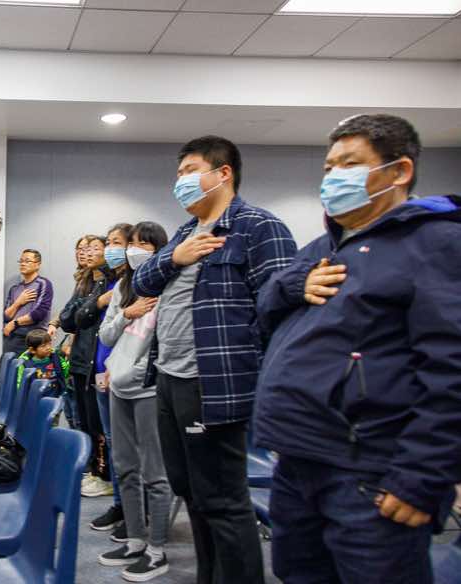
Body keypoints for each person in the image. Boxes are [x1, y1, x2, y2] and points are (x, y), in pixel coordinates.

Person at [253, 114, 461, 584]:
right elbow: (264, 309)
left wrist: (421, 475)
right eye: (329, 167)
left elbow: (451, 370)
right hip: (298, 459)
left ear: (399, 171)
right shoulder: (322, 247)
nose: (333, 177)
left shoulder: (435, 243)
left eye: (349, 164)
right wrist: (293, 284)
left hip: (369, 472)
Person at [133, 135, 297, 584]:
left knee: (223, 499)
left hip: (215, 383)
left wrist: (265, 385)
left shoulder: (258, 227)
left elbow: (281, 312)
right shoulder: (186, 231)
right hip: (169, 377)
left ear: (223, 173)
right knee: (191, 491)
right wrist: (173, 257)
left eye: (189, 171)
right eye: (178, 173)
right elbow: (142, 283)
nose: (180, 181)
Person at [98, 221, 176, 582]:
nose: (135, 250)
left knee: (154, 473)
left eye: (145, 245)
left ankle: (157, 551)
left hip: (150, 390)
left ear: (160, 250)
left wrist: (144, 372)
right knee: (125, 467)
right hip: (119, 386)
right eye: (133, 244)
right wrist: (127, 313)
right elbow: (106, 335)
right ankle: (134, 540)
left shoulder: (170, 286)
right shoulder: (124, 287)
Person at [77, 224, 131, 519]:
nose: (109, 249)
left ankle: (130, 509)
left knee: (124, 447)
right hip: (98, 369)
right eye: (107, 242)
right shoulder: (107, 286)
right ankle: (120, 506)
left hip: (120, 376)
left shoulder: (131, 285)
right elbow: (82, 320)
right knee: (110, 441)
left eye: (115, 243)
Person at [60, 234, 112, 499]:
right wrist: (91, 304)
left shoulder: (110, 282)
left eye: (94, 248)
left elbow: (82, 316)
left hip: (97, 362)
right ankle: (94, 469)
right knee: (85, 421)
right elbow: (68, 319)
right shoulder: (86, 282)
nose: (87, 253)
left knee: (98, 424)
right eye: (83, 249)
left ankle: (104, 474)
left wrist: (88, 307)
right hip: (81, 360)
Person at [48, 235, 92, 430]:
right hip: (75, 349)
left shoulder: (95, 279)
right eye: (79, 249)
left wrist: (71, 343)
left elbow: (82, 316)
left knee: (80, 413)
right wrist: (54, 323)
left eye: (87, 249)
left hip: (84, 350)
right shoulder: (81, 277)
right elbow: (70, 309)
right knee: (70, 405)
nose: (82, 253)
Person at [0, 248, 53, 379]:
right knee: (4, 374)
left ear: (37, 264)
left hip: (33, 338)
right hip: (13, 338)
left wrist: (14, 323)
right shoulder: (15, 289)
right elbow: (6, 316)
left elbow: (39, 313)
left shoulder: (43, 284)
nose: (23, 263)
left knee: (28, 378)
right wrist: (18, 302)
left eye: (27, 261)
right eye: (21, 261)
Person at [15, 328, 70, 398]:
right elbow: (20, 385)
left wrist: (70, 360)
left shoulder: (56, 358)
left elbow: (66, 373)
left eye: (49, 344)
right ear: (32, 350)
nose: (48, 347)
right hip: (35, 399)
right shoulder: (25, 364)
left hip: (56, 398)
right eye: (43, 346)